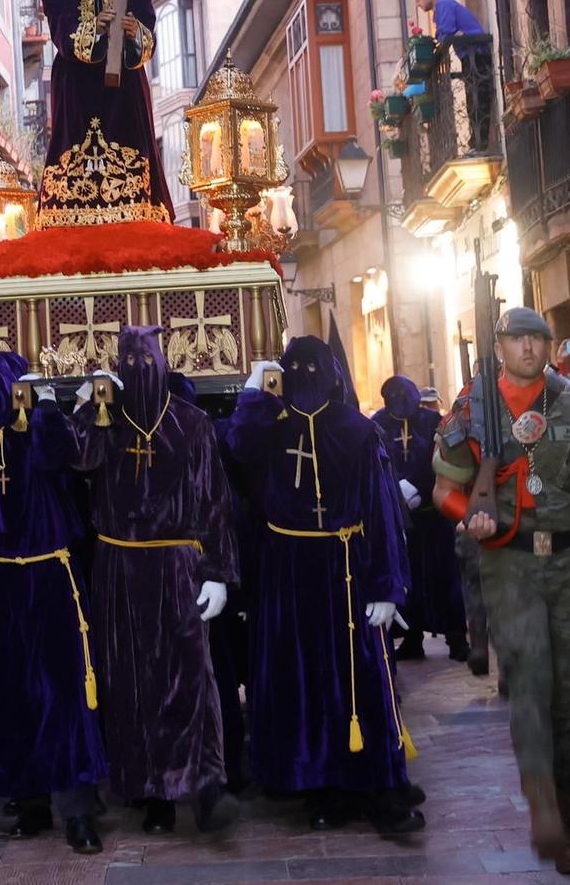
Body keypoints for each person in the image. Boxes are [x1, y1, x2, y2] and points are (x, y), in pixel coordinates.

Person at [433, 307, 570, 874]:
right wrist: (469, 515)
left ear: (549, 346)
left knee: (569, 697)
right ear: (500, 346)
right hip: (509, 565)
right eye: (516, 339)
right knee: (529, 692)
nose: (526, 348)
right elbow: (445, 487)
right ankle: (544, 811)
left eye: (536, 339)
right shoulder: (472, 407)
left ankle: (569, 820)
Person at [228, 343, 425, 835]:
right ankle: (320, 784)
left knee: (362, 679)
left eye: (311, 368)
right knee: (303, 680)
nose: (301, 376)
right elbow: (236, 447)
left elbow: (382, 510)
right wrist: (254, 393)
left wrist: (386, 585)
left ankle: (379, 785)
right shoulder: (269, 426)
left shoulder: (358, 431)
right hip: (288, 574)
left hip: (347, 569)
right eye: (292, 368)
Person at [0, 352, 108, 853]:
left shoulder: (38, 430)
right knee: (8, 697)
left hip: (50, 578)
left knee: (65, 697)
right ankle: (30, 803)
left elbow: (68, 457)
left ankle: (77, 810)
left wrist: (48, 406)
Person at [68, 326, 239, 834]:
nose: (139, 370)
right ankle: (149, 791)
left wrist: (219, 575)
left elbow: (216, 503)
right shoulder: (106, 420)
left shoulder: (191, 423)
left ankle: (206, 784)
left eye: (148, 361)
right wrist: (87, 407)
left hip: (177, 567)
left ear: (163, 365)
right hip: (119, 567)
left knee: (191, 677)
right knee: (129, 682)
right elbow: (78, 460)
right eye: (130, 362)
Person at [35, 0, 173, 226]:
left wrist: (133, 31)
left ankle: (137, 206)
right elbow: (61, 32)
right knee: (74, 145)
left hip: (124, 86)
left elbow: (148, 38)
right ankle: (72, 212)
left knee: (130, 142)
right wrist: (93, 28)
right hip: (76, 86)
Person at [374, 375, 469, 662]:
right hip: (402, 520)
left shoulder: (432, 422)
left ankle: (456, 638)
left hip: (434, 514)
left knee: (445, 578)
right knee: (409, 578)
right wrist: (395, 489)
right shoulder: (378, 423)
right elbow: (376, 462)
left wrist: (418, 484)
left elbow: (443, 459)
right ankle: (412, 639)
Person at [413, 0, 487, 42]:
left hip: (476, 48)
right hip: (470, 49)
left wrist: (438, 36)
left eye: (418, 0)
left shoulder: (443, 4)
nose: (417, 4)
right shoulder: (438, 11)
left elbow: (446, 33)